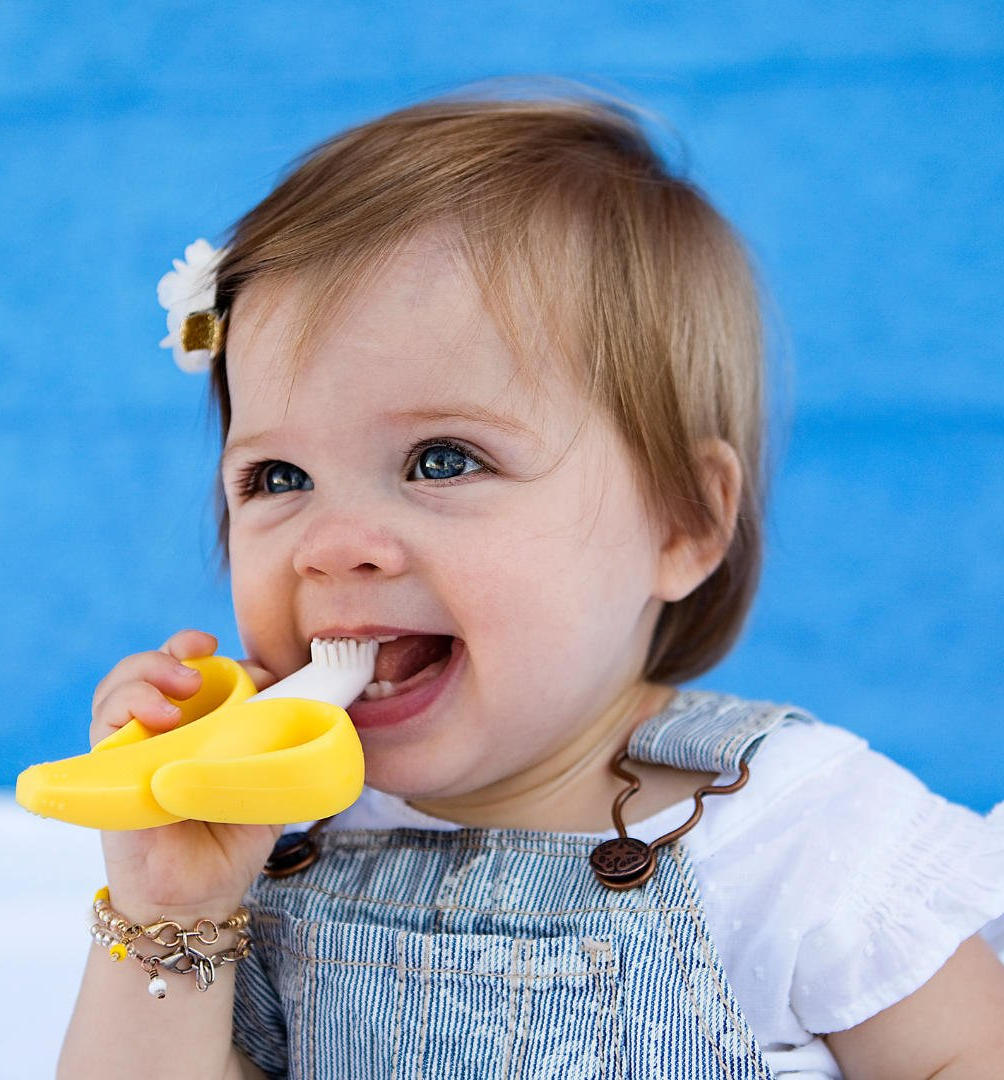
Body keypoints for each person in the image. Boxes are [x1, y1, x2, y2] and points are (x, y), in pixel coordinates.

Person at [58, 91, 1004, 1079]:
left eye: (442, 460)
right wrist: (172, 913)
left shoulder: (794, 842)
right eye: (277, 478)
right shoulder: (270, 853)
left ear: (682, 519)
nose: (332, 546)